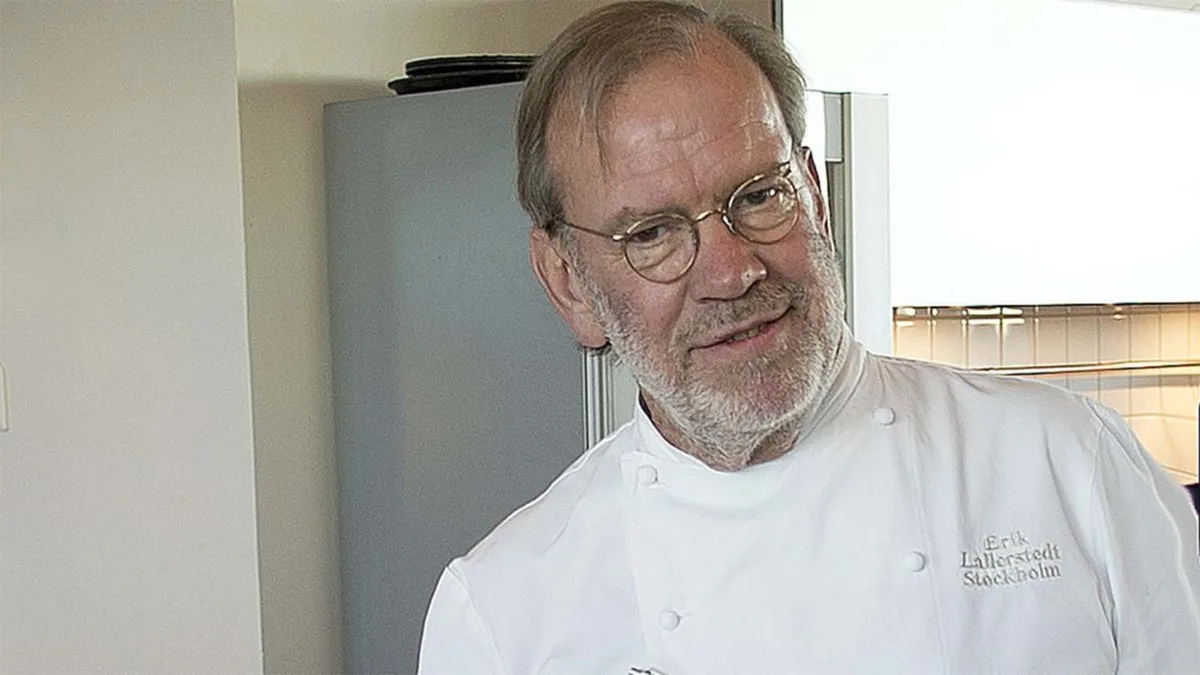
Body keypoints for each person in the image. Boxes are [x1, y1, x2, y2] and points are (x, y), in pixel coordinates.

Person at [417, 2, 1200, 673]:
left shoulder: (1072, 465)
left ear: (815, 195)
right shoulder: (503, 615)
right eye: (652, 233)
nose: (732, 272)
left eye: (760, 195)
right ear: (568, 283)